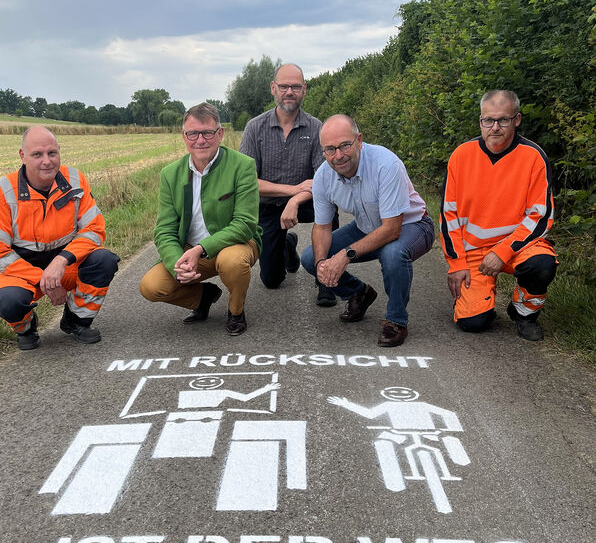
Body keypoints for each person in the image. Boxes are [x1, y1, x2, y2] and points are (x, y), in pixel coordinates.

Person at [301, 115, 435, 347]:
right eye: (330, 149)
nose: (338, 155)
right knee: (311, 257)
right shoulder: (323, 175)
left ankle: (396, 320)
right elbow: (322, 227)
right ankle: (359, 293)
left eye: (345, 145)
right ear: (323, 152)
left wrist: (344, 255)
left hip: (411, 226)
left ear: (359, 140)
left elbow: (392, 229)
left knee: (392, 253)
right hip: (368, 227)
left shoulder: (386, 164)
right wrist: (324, 264)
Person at [0, 126, 119, 350]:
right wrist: (43, 280)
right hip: (22, 269)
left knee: (104, 260)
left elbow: (94, 229)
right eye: (37, 154)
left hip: (66, 263)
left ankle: (76, 321)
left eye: (52, 153)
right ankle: (26, 327)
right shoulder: (2, 192)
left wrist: (61, 260)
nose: (47, 161)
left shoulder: (75, 179)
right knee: (6, 300)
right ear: (22, 156)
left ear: (59, 151)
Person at [440, 90, 556, 341]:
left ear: (517, 120)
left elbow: (541, 217)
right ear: (480, 120)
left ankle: (523, 312)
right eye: (488, 120)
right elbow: (448, 215)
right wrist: (456, 263)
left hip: (517, 247)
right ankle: (479, 304)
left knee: (542, 265)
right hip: (474, 251)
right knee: (473, 323)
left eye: (503, 120)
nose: (495, 127)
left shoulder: (534, 156)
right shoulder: (461, 156)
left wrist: (502, 251)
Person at [139, 103, 262, 336]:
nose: (200, 140)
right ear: (184, 136)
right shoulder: (170, 174)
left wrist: (201, 249)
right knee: (151, 287)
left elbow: (245, 224)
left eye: (208, 133)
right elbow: (164, 230)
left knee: (232, 263)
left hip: (234, 245)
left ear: (220, 134)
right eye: (192, 133)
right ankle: (202, 298)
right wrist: (179, 263)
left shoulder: (243, 166)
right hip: (190, 250)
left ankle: (236, 311)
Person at [240, 63, 338, 304]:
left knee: (331, 209)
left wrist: (295, 199)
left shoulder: (317, 128)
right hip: (269, 206)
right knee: (271, 281)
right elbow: (247, 183)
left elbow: (324, 180)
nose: (289, 92)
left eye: (295, 87)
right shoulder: (255, 128)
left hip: (308, 201)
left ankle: (325, 278)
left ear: (304, 89)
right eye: (284, 86)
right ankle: (287, 244)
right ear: (273, 88)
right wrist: (292, 190)